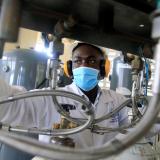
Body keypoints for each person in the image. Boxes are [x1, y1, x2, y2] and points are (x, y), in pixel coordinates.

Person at [0, 43, 129, 149]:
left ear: (103, 68)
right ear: (69, 67)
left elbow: (132, 131)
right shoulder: (51, 98)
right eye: (77, 61)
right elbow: (11, 105)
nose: (84, 66)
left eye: (92, 60)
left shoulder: (118, 101)